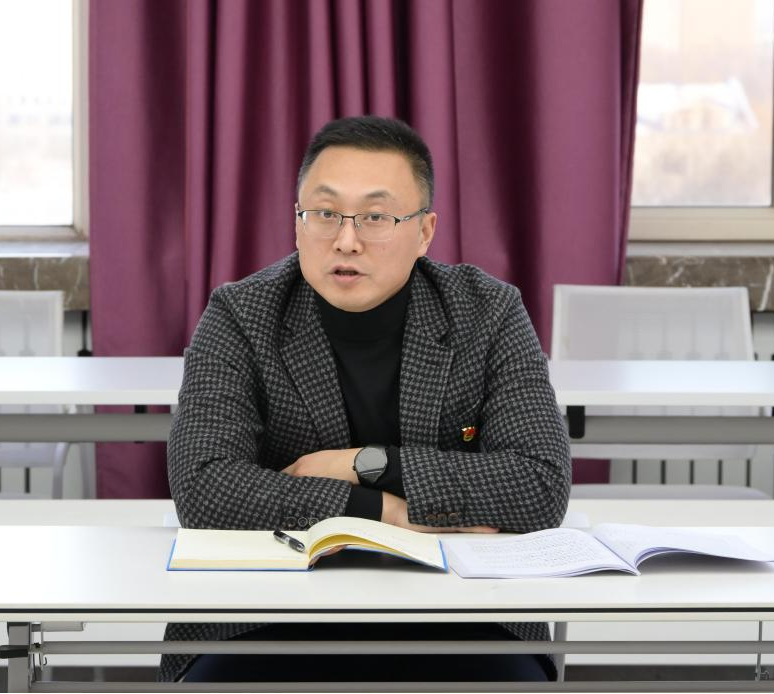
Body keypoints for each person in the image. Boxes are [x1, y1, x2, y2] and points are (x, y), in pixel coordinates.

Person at [161, 115, 571, 683]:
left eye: (376, 217)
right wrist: (383, 514)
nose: (346, 240)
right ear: (298, 222)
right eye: (325, 213)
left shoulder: (488, 313)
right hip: (266, 610)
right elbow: (205, 487)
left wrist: (362, 464)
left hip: (461, 608)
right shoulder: (240, 314)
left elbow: (540, 485)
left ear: (425, 232)